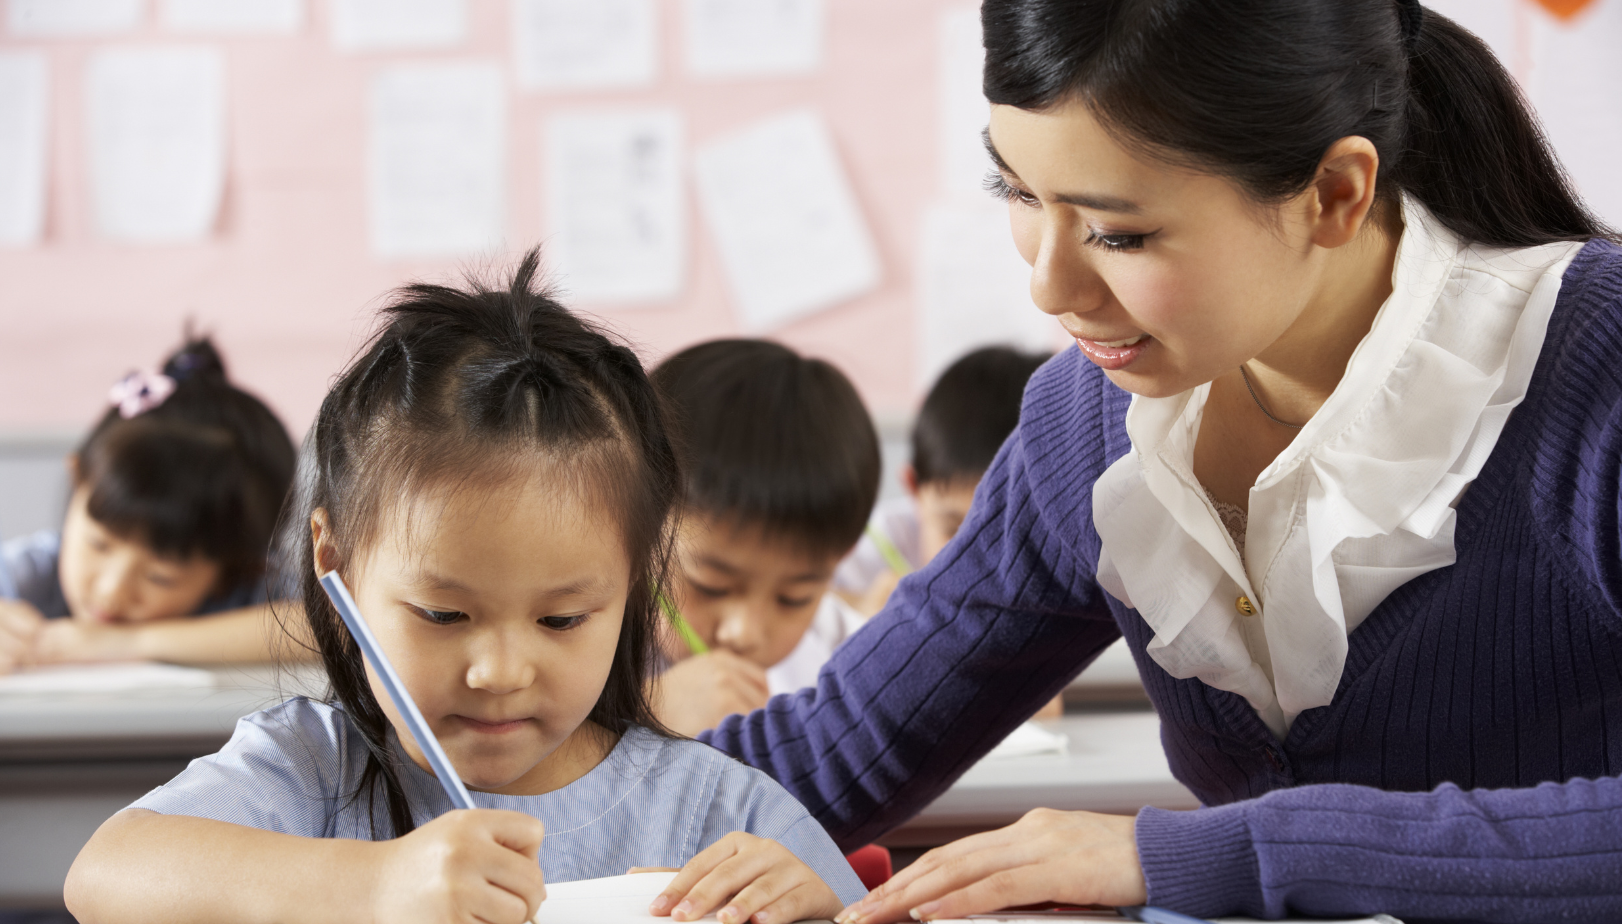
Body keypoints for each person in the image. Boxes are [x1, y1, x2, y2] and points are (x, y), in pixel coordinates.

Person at [685, 2, 1622, 922]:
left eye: (1119, 233)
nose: (1048, 285)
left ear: (1335, 194)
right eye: (1015, 192)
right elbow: (838, 748)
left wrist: (1176, 855)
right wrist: (548, 822)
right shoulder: (1094, 419)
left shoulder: (1596, 368)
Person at [63, 253, 863, 924]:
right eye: (444, 613)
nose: (500, 671)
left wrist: (823, 906)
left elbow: (851, 905)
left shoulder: (713, 811)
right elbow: (102, 875)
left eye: (562, 618)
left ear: (634, 581)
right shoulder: (313, 772)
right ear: (332, 558)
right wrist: (373, 886)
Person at [0, 336, 302, 675]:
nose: (111, 592)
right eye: (98, 545)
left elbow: (337, 628)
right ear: (78, 480)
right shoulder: (27, 576)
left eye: (159, 577)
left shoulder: (251, 592)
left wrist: (122, 642)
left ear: (232, 570)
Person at [649, 339, 880, 737]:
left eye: (794, 598)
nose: (744, 632)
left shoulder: (838, 648)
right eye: (712, 586)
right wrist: (648, 713)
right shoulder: (576, 646)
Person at [834, 345, 1051, 617]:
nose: (973, 562)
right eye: (951, 529)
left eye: (1001, 535)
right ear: (914, 488)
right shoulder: (860, 550)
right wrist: (863, 613)